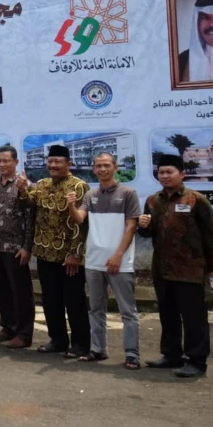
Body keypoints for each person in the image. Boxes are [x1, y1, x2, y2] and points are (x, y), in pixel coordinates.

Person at [139, 154, 213, 378]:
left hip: (190, 269)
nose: (164, 176)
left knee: (194, 317)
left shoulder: (196, 200)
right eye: (161, 172)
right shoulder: (153, 201)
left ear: (182, 174)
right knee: (168, 314)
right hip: (162, 268)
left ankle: (196, 360)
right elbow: (148, 234)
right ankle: (171, 354)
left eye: (169, 172)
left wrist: (209, 267)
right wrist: (143, 227)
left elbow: (210, 236)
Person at [67, 153, 141, 368]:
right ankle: (98, 349)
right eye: (98, 166)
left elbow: (131, 226)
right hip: (93, 261)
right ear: (94, 169)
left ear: (115, 167)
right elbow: (79, 218)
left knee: (127, 311)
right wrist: (71, 205)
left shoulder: (128, 193)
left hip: (120, 262)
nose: (102, 169)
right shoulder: (91, 195)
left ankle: (132, 354)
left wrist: (118, 255)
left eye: (106, 165)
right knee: (95, 308)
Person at [25, 144, 91, 358]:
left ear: (68, 164)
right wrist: (21, 188)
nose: (53, 165)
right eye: (50, 161)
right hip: (45, 252)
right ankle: (58, 340)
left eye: (58, 162)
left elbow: (82, 224)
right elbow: (27, 202)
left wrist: (76, 253)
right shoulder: (42, 184)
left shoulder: (79, 187)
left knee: (74, 300)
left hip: (68, 256)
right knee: (50, 299)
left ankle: (80, 343)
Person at [0, 145, 36, 349]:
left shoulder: (25, 185)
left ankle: (24, 333)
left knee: (20, 292)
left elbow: (30, 218)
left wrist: (27, 247)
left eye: (6, 161)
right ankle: (8, 327)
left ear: (16, 162)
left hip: (15, 248)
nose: (2, 164)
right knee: (2, 290)